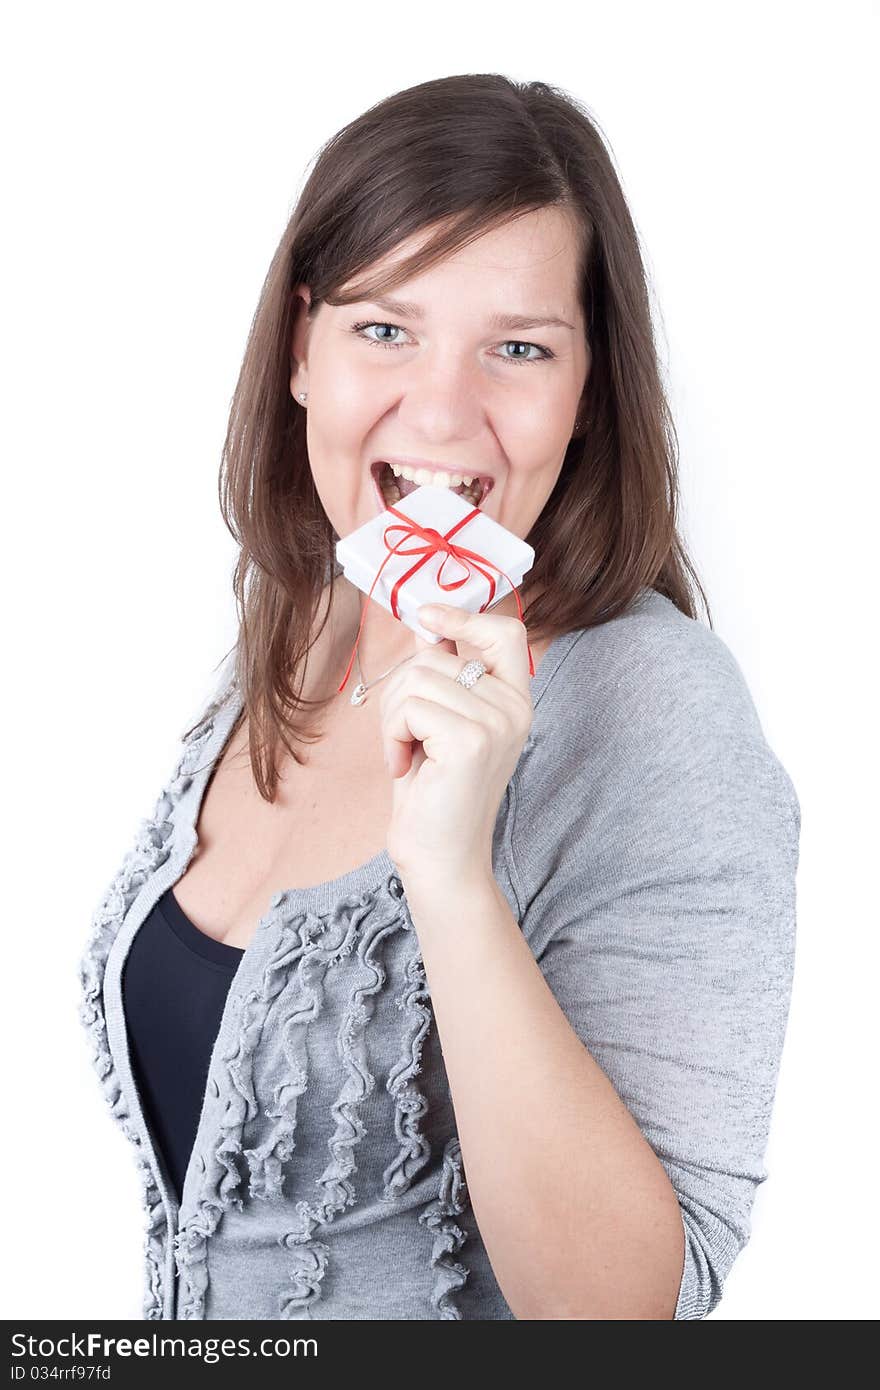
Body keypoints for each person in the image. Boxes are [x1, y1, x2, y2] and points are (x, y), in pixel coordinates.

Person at [78, 73, 800, 1321]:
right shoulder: (301, 624)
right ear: (302, 346)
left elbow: (631, 1313)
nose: (442, 409)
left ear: (586, 396)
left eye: (518, 348)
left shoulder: (654, 706)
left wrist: (453, 877)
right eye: (383, 329)